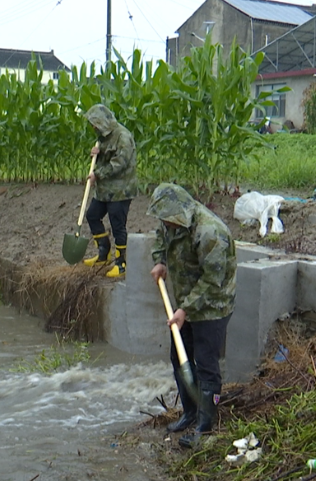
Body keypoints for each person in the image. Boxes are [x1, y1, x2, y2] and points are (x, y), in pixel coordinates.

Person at [147, 183, 237, 449]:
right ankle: (190, 412)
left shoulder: (210, 233)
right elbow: (161, 237)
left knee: (206, 364)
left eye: (168, 219)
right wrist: (160, 260)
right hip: (184, 303)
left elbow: (212, 280)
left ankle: (205, 427)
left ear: (181, 212)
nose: (165, 223)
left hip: (212, 306)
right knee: (179, 357)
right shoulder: (170, 221)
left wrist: (185, 309)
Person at [81, 104, 138, 278]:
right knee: (92, 215)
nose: (93, 127)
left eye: (95, 124)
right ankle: (103, 253)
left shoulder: (123, 137)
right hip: (104, 190)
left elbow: (119, 163)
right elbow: (105, 158)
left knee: (117, 225)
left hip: (120, 190)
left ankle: (121, 263)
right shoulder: (103, 137)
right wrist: (97, 154)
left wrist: (97, 174)